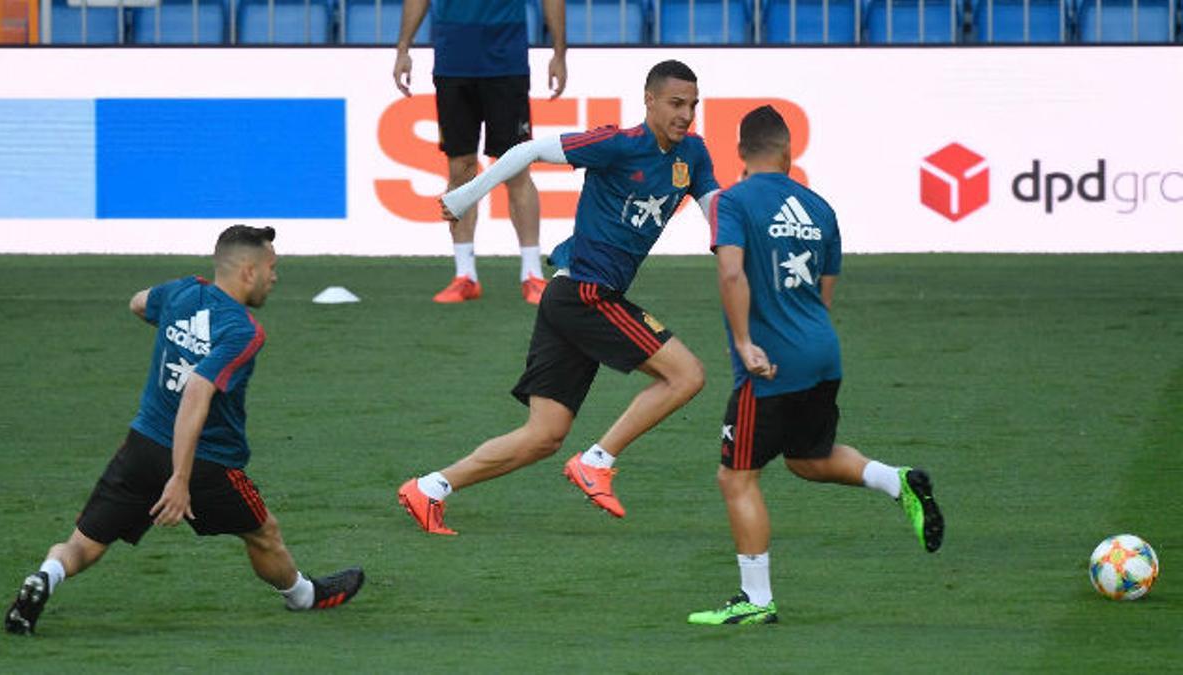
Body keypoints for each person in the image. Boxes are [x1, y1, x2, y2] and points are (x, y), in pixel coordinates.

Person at [397, 60, 720, 535]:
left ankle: (429, 488)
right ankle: (597, 461)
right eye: (675, 103)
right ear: (648, 100)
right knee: (687, 374)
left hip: (570, 299)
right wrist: (467, 195)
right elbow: (526, 149)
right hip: (587, 294)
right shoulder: (617, 144)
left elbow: (714, 204)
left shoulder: (692, 154)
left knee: (543, 436)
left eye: (692, 104)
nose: (686, 114)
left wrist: (732, 241)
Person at [3, 225, 364, 636]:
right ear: (248, 272)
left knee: (84, 544)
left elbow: (138, 304)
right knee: (263, 532)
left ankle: (45, 578)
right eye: (272, 267)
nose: (275, 277)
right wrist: (180, 478)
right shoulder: (243, 330)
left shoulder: (182, 292)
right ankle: (302, 595)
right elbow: (197, 391)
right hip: (205, 463)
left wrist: (179, 333)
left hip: (140, 448)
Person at [686, 107, 944, 626]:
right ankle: (898, 482)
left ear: (740, 154)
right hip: (823, 352)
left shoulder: (732, 203)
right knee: (808, 457)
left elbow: (732, 274)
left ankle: (756, 599)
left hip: (769, 365)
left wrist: (745, 341)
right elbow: (824, 296)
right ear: (787, 153)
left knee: (735, 478)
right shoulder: (821, 208)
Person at [393, 0, 567, 305]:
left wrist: (559, 54)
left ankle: (532, 274)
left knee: (516, 168)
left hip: (506, 62)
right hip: (453, 61)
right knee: (460, 167)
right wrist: (403, 49)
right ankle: (465, 276)